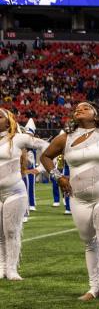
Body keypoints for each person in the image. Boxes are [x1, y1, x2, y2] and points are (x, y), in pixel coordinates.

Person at [40, 102, 99, 301]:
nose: (79, 109)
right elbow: (46, 156)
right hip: (78, 198)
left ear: (96, 115)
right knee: (89, 243)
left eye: (85, 107)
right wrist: (58, 177)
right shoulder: (65, 138)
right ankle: (93, 287)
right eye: (77, 108)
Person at [0, 109, 49, 280]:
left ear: (9, 122)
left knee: (12, 231)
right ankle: (1, 267)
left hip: (14, 190)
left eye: (0, 117)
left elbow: (45, 146)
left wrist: (41, 169)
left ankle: (12, 269)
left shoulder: (18, 138)